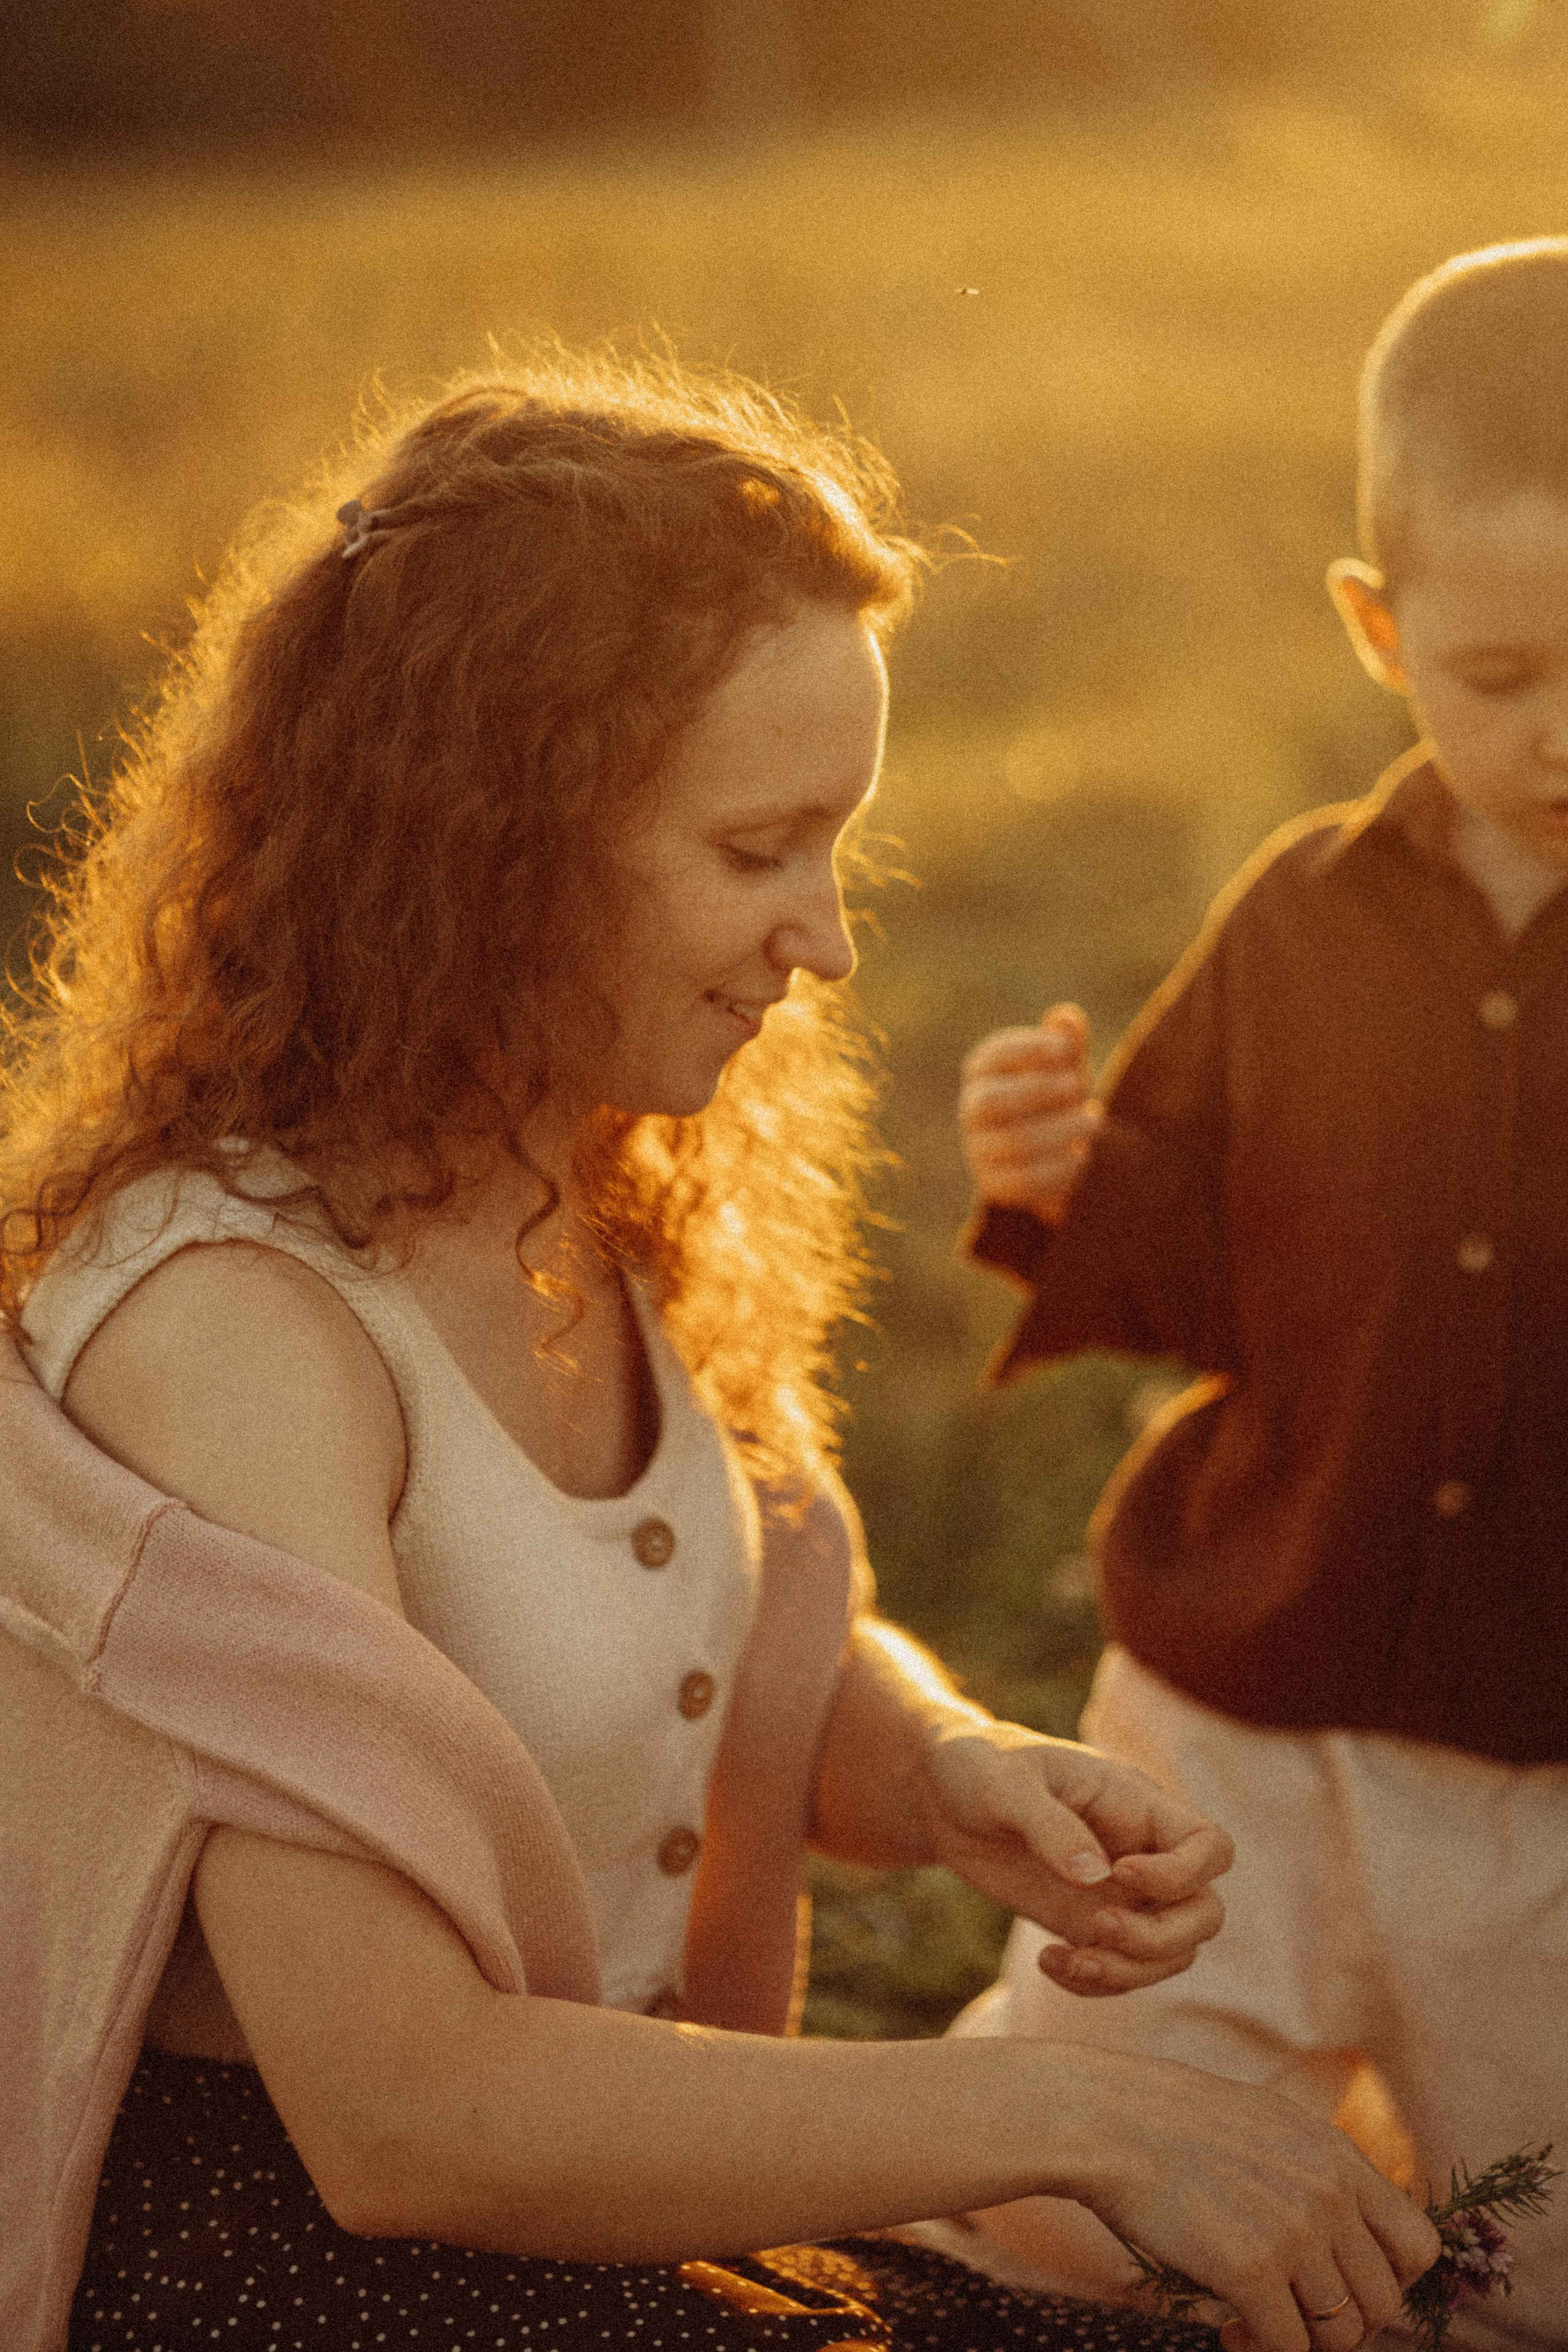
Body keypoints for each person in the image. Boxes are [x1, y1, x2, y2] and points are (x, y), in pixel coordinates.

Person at [0, 353, 1436, 2352]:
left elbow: (699, 1632)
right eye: (760, 851)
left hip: (583, 2228)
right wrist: (1071, 2114)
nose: (830, 940)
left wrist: (944, 1773)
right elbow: (400, 2117)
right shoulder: (234, 1327)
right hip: (301, 2275)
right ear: (483, 840)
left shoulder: (596, 1173)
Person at [952, 242, 1568, 2347]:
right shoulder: (1301, 924)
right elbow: (1206, 1244)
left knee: (1523, 2245)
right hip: (1248, 1709)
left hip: (1547, 1757)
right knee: (1093, 2170)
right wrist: (1063, 1179)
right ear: (1378, 631)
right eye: (1502, 676)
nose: (1565, 731)